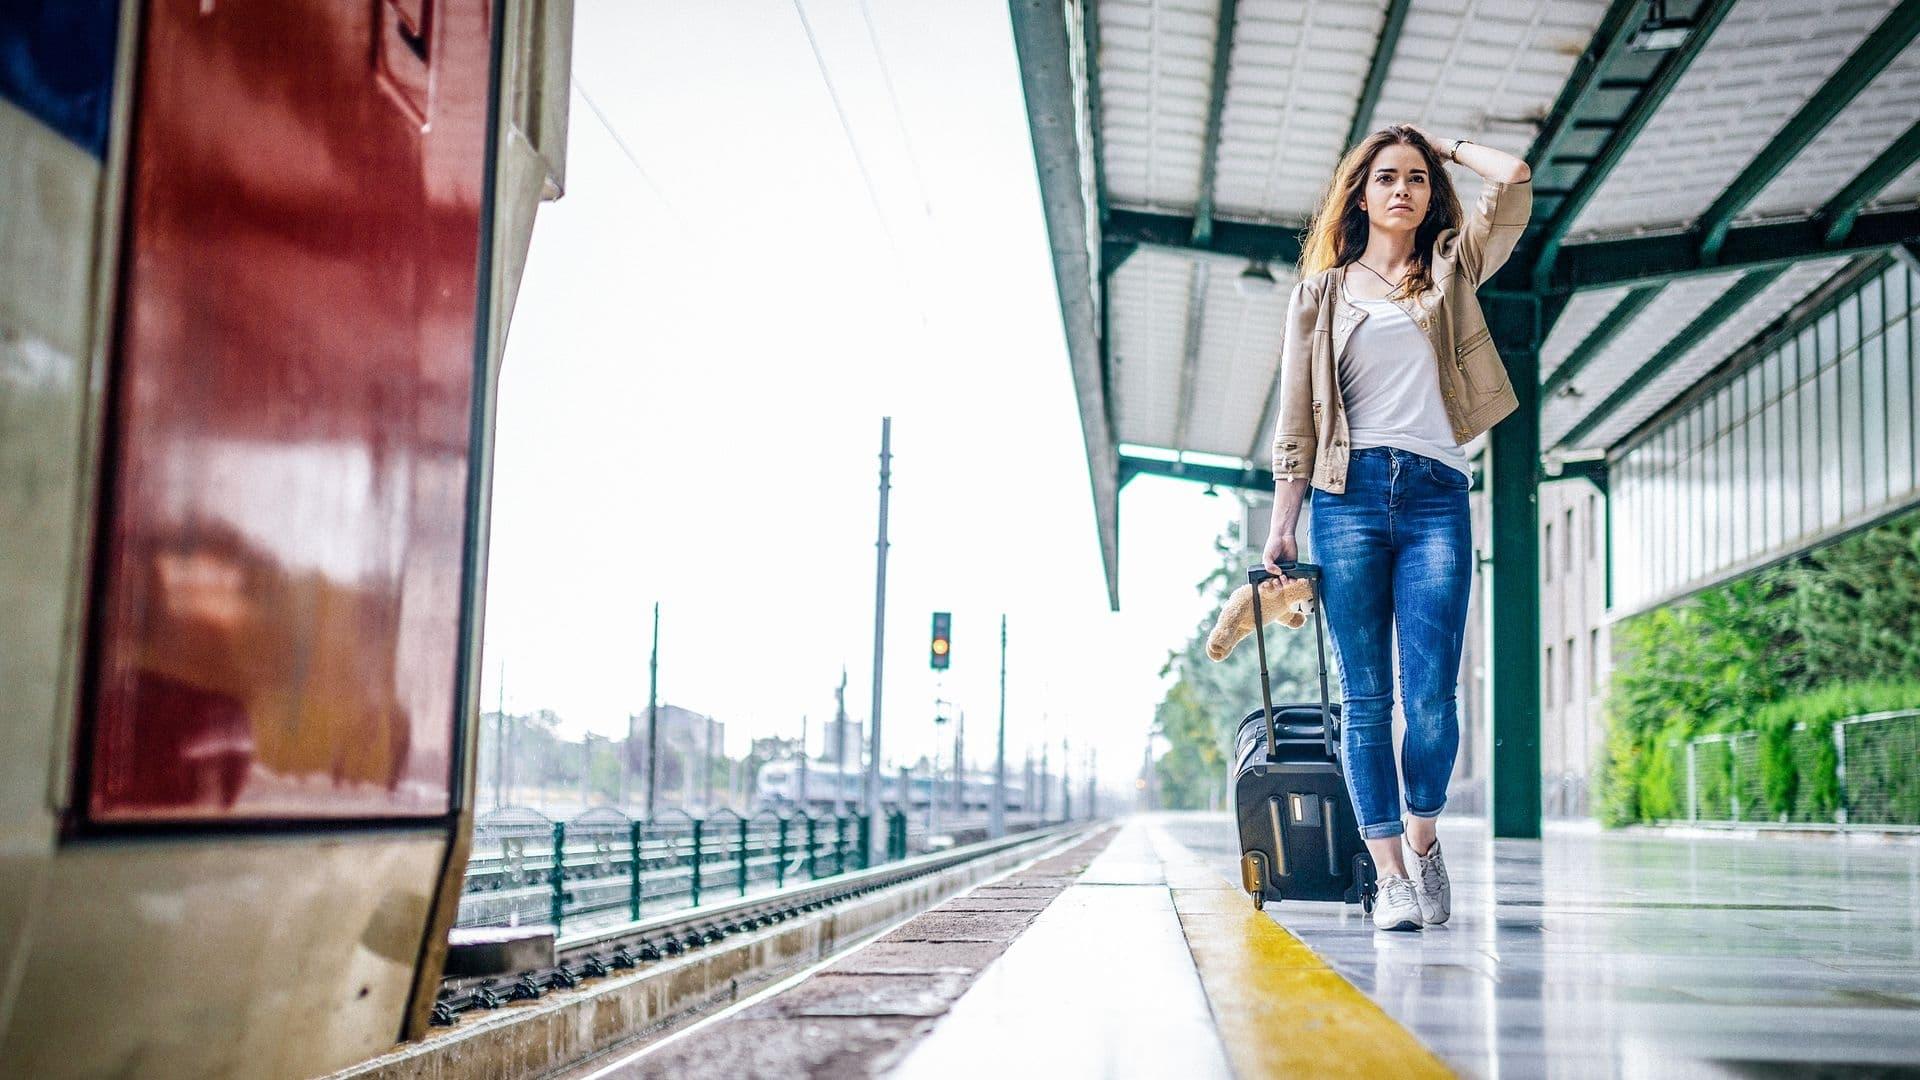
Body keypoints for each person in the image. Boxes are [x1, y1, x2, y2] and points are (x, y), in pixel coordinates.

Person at [1262, 124, 1532, 931]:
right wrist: (1284, 525)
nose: (1403, 190)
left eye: (1416, 178)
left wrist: (1445, 145)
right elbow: (1297, 421)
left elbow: (1515, 178)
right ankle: (1388, 878)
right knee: (1367, 698)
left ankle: (1422, 838)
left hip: (1436, 494)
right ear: (1362, 193)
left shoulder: (1453, 267)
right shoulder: (1321, 294)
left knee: (1433, 699)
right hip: (1346, 499)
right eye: (1387, 177)